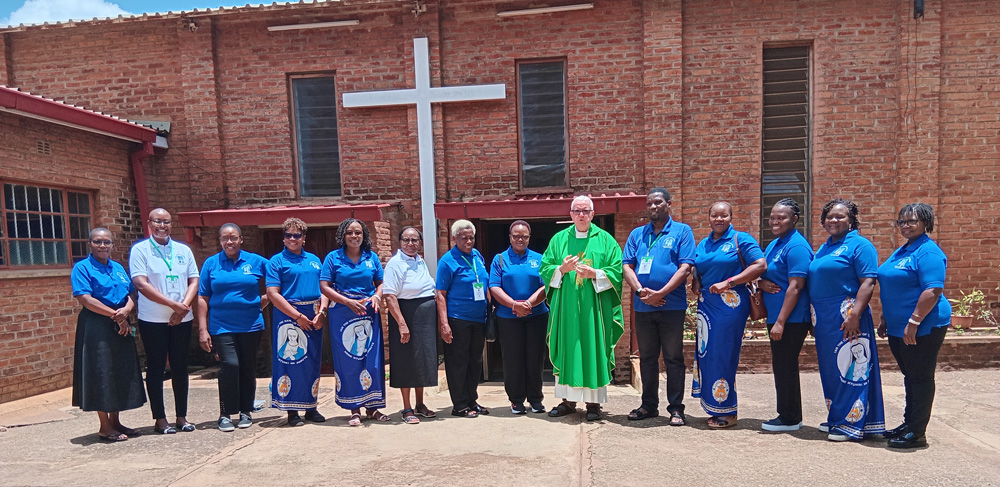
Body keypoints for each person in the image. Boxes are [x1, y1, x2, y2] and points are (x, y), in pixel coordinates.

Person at [808, 198, 885, 441]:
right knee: (832, 369)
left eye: (840, 216)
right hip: (825, 318)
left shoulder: (860, 245)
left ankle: (850, 423)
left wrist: (855, 315)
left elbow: (868, 282)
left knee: (851, 369)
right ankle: (838, 416)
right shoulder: (825, 247)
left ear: (851, 220)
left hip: (847, 316)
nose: (834, 220)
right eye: (829, 216)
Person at [541, 196, 624, 421]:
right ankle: (567, 401)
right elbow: (545, 268)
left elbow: (617, 270)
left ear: (592, 214)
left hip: (593, 311)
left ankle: (594, 404)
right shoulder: (559, 240)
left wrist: (594, 273)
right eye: (577, 211)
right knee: (569, 349)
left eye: (585, 211)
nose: (581, 215)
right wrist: (561, 269)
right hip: (567, 309)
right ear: (570, 214)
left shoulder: (605, 240)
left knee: (592, 348)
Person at [877, 203, 951, 448]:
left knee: (920, 377)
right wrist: (886, 318)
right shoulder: (904, 249)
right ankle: (908, 423)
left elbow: (933, 290)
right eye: (902, 221)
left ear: (925, 223)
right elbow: (895, 286)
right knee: (910, 375)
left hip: (923, 325)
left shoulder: (928, 252)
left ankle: (917, 433)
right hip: (899, 325)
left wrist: (914, 321)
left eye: (912, 221)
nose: (906, 225)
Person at [690, 202, 766, 428]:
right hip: (707, 305)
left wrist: (729, 282)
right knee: (708, 355)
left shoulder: (740, 240)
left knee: (724, 354)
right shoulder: (704, 243)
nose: (719, 219)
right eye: (715, 215)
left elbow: (760, 265)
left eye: (724, 215)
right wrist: (696, 279)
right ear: (709, 217)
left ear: (731, 217)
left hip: (730, 305)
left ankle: (728, 410)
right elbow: (697, 265)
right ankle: (713, 406)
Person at [622, 188, 695, 425]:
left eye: (658, 202)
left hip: (671, 307)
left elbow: (685, 268)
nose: (653, 206)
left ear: (668, 204)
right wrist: (641, 291)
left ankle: (676, 409)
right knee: (647, 358)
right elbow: (627, 266)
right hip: (643, 307)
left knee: (673, 358)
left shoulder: (682, 231)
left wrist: (660, 294)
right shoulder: (637, 234)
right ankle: (648, 405)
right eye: (650, 203)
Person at [71, 228, 146, 442]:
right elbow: (85, 299)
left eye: (106, 242)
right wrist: (116, 316)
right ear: (90, 244)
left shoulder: (118, 268)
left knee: (119, 370)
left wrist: (126, 310)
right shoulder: (82, 268)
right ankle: (104, 426)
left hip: (121, 322)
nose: (102, 246)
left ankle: (116, 420)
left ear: (112, 245)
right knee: (101, 371)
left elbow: (130, 293)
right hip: (97, 325)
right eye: (98, 242)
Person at [130, 208, 199, 434]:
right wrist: (173, 305)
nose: (162, 226)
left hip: (182, 319)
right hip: (153, 319)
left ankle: (182, 417)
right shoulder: (140, 250)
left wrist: (182, 308)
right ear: (149, 223)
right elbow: (141, 284)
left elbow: (194, 281)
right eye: (158, 221)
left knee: (180, 366)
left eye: (166, 222)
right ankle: (160, 419)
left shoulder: (183, 250)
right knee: (156, 367)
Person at [196, 223, 269, 432]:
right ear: (220, 241)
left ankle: (246, 411)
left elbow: (277, 279)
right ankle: (225, 413)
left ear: (241, 239)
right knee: (230, 365)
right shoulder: (211, 264)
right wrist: (203, 329)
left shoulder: (255, 261)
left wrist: (264, 299)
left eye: (233, 237)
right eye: (225, 238)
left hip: (251, 325)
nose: (230, 241)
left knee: (248, 367)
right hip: (221, 325)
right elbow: (202, 297)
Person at [320, 218, 388, 426]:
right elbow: (324, 286)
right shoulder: (333, 258)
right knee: (349, 360)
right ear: (343, 235)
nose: (354, 236)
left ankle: (373, 407)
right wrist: (347, 301)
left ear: (364, 235)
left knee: (372, 360)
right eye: (349, 232)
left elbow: (381, 283)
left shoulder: (371, 257)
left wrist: (377, 296)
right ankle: (354, 408)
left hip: (368, 314)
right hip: (343, 313)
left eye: (358, 232)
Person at [266, 217, 329, 427]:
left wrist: (322, 312)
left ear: (304, 238)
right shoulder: (277, 261)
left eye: (297, 235)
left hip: (313, 314)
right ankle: (292, 410)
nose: (292, 239)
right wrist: (297, 316)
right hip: (288, 315)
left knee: (312, 360)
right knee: (290, 360)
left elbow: (325, 288)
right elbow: (273, 293)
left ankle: (311, 407)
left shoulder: (314, 260)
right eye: (288, 235)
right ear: (283, 238)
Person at [758, 198, 814, 432]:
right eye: (772, 217)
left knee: (785, 365)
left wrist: (780, 322)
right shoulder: (775, 244)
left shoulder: (796, 246)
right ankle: (790, 414)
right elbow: (764, 273)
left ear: (794, 219)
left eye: (781, 218)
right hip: (777, 316)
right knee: (781, 364)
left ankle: (789, 418)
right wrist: (761, 283)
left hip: (791, 318)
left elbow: (796, 286)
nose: (775, 221)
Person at [488, 220, 549, 415]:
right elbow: (494, 286)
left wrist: (528, 304)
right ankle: (516, 400)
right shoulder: (500, 259)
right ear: (510, 237)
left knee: (535, 358)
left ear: (529, 238)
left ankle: (536, 399)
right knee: (513, 359)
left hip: (536, 316)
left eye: (524, 236)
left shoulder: (539, 258)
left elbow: (546, 285)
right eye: (516, 236)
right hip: (508, 317)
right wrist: (514, 305)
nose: (520, 239)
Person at [383, 226, 439, 424]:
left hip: (423, 317)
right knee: (405, 361)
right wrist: (402, 324)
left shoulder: (419, 260)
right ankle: (407, 408)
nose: (410, 244)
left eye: (414, 240)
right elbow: (390, 296)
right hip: (405, 314)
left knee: (421, 360)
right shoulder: (395, 264)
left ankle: (420, 404)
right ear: (400, 243)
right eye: (406, 240)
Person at [436, 219, 490, 418]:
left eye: (471, 237)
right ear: (454, 238)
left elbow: (483, 282)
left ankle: (471, 400)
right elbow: (440, 294)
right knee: (458, 363)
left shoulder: (477, 256)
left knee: (474, 362)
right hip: (457, 319)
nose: (468, 241)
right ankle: (459, 404)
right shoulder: (447, 261)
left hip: (479, 319)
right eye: (464, 238)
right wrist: (444, 324)